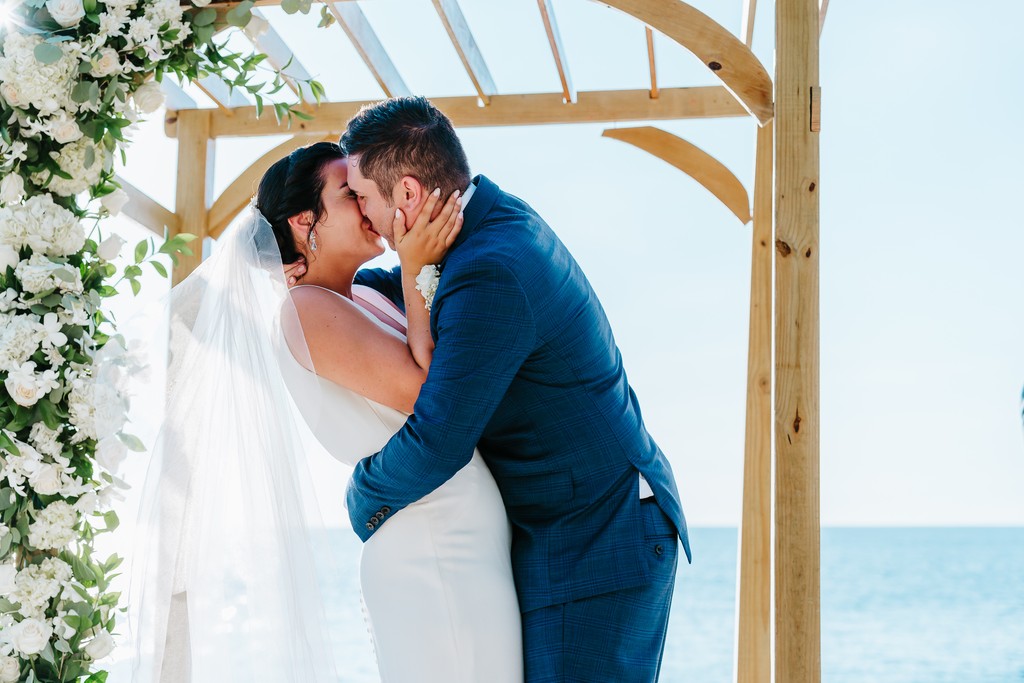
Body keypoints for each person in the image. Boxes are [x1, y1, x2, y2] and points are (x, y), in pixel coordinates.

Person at [288, 98, 693, 682]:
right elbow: (369, 298)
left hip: (597, 536)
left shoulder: (491, 268)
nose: (365, 216)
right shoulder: (484, 226)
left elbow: (439, 439)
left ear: (405, 195)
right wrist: (302, 270)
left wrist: (361, 498)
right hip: (566, 524)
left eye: (365, 199)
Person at [128, 141, 522, 682]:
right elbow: (430, 392)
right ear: (304, 221)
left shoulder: (358, 296)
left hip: (458, 535)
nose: (369, 204)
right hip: (432, 546)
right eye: (350, 194)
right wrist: (415, 265)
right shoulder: (304, 311)